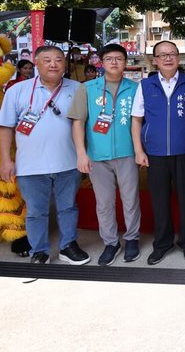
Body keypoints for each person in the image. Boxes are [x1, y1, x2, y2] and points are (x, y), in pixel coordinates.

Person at [0, 46, 90, 265]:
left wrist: (83, 155)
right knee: (36, 211)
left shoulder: (78, 89)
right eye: (46, 60)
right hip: (30, 166)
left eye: (58, 60)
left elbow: (83, 124)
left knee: (68, 207)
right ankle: (39, 251)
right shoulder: (17, 91)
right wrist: (6, 159)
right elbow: (5, 128)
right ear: (36, 63)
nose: (53, 64)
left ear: (64, 64)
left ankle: (68, 246)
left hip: (68, 163)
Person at [68, 44, 141, 265]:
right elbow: (78, 122)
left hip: (127, 153)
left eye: (119, 58)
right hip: (97, 156)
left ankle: (132, 238)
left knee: (130, 200)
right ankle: (111, 242)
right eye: (109, 58)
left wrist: (139, 151)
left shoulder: (136, 88)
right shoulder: (87, 88)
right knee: (104, 202)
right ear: (101, 62)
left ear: (126, 62)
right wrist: (81, 154)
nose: (114, 63)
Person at [131, 40, 185, 265]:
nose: (168, 58)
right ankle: (162, 243)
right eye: (162, 55)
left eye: (172, 54)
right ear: (155, 60)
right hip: (155, 153)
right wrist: (139, 150)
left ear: (179, 58)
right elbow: (136, 120)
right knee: (159, 201)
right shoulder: (145, 86)